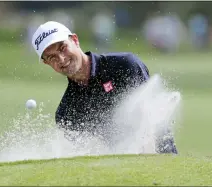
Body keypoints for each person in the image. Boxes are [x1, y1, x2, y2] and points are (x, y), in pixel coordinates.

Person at [31, 21, 178, 154]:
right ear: (47, 63)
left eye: (63, 48)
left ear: (75, 40)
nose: (61, 59)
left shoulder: (124, 65)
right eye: (52, 57)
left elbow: (156, 122)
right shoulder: (66, 112)